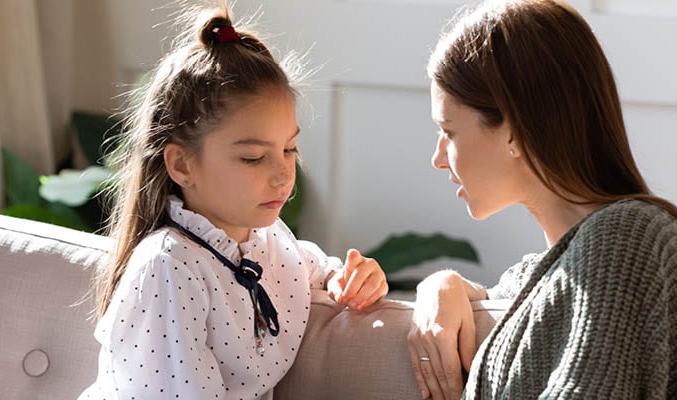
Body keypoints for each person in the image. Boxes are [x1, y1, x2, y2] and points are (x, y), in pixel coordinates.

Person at [77, 2, 388, 399]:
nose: (282, 174)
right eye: (253, 157)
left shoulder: (264, 237)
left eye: (289, 149)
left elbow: (310, 266)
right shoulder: (168, 269)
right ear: (182, 165)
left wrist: (351, 278)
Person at [407, 0, 677, 399]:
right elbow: (498, 298)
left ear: (513, 131)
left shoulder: (626, 238)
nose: (438, 158)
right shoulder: (543, 274)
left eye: (448, 131)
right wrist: (440, 284)